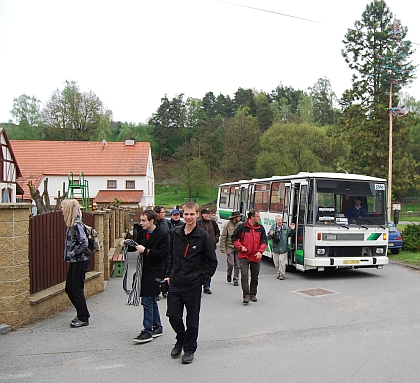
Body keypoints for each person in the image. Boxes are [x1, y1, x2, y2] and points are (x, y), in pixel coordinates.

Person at [165, 202, 218, 364]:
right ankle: (181, 338)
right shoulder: (175, 233)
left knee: (192, 320)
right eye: (186, 214)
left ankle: (189, 349)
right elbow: (170, 257)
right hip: (175, 283)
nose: (188, 217)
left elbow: (212, 261)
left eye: (191, 214)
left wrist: (201, 280)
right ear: (182, 215)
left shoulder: (202, 236)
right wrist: (168, 274)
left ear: (197, 215)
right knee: (173, 316)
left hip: (193, 285)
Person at [124, 209, 170, 344]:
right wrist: (126, 244)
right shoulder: (142, 232)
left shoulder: (162, 235)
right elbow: (136, 246)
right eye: (141, 220)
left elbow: (164, 253)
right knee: (151, 300)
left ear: (151, 221)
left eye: (144, 220)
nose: (141, 223)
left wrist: (147, 251)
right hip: (143, 270)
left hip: (155, 271)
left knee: (147, 300)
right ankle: (157, 327)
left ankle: (147, 331)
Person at [61, 199, 90, 328]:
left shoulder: (76, 225)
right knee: (69, 289)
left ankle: (83, 317)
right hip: (76, 262)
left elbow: (84, 243)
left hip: (80, 262)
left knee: (76, 290)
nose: (61, 210)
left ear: (68, 210)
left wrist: (72, 253)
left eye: (63, 208)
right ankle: (81, 314)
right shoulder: (72, 223)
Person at [232, 209, 268, 305]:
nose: (259, 218)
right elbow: (234, 238)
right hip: (244, 256)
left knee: (255, 277)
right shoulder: (241, 227)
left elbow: (265, 241)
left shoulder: (260, 228)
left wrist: (260, 252)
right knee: (244, 275)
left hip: (256, 256)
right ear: (251, 217)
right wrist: (240, 247)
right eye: (257, 216)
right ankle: (246, 295)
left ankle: (253, 294)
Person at [197, 208, 220, 294]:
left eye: (210, 213)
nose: (209, 215)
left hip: (211, 248)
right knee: (199, 267)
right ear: (202, 214)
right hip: (200, 249)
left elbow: (217, 232)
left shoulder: (213, 223)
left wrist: (215, 239)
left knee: (209, 267)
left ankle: (207, 286)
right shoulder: (198, 223)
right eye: (207, 213)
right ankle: (198, 285)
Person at [267, 215, 295, 280]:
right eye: (278, 220)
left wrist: (293, 230)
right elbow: (268, 237)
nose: (280, 221)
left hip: (284, 249)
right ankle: (278, 273)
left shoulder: (285, 228)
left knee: (282, 261)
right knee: (276, 263)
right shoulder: (273, 228)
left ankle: (282, 274)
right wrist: (270, 234)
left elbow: (291, 234)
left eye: (281, 220)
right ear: (276, 221)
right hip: (276, 249)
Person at [220, 210, 242, 286]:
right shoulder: (227, 225)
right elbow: (223, 237)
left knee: (238, 265)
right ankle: (229, 274)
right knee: (231, 263)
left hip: (238, 248)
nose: (240, 218)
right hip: (229, 246)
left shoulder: (241, 225)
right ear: (234, 217)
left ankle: (236, 279)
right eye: (239, 216)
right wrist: (223, 248)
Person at [153, 205, 170, 300]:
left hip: (166, 251)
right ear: (157, 214)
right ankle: (156, 292)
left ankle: (165, 290)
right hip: (156, 251)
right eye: (162, 212)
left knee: (166, 271)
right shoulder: (152, 223)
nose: (164, 214)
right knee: (157, 272)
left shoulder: (166, 222)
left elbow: (170, 234)